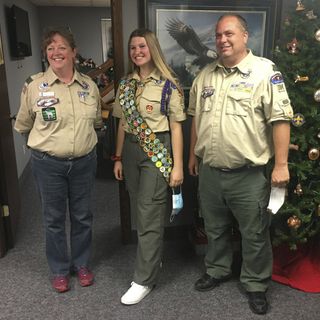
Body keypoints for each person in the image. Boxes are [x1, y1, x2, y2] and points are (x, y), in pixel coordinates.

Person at [188, 14, 293, 315]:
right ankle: (218, 269)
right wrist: (192, 156)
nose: (222, 39)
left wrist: (281, 165)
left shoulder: (265, 72)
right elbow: (197, 118)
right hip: (210, 172)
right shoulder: (205, 76)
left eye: (229, 33)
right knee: (214, 227)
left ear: (245, 36)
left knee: (255, 233)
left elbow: (281, 120)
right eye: (219, 35)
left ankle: (256, 284)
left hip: (248, 175)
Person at [14, 27, 102, 293]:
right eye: (50, 48)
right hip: (48, 164)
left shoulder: (89, 86)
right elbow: (24, 125)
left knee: (82, 216)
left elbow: (96, 122)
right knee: (53, 219)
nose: (56, 52)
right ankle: (60, 269)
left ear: (74, 52)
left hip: (84, 161)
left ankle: (82, 263)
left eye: (62, 47)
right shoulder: (33, 86)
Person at [112, 28, 186, 305]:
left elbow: (177, 128)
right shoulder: (126, 84)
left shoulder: (169, 85)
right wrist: (118, 156)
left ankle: (144, 279)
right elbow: (122, 122)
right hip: (131, 152)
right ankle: (153, 261)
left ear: (152, 48)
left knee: (149, 213)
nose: (137, 51)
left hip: (157, 152)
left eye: (142, 46)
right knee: (139, 209)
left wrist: (177, 167)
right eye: (133, 47)